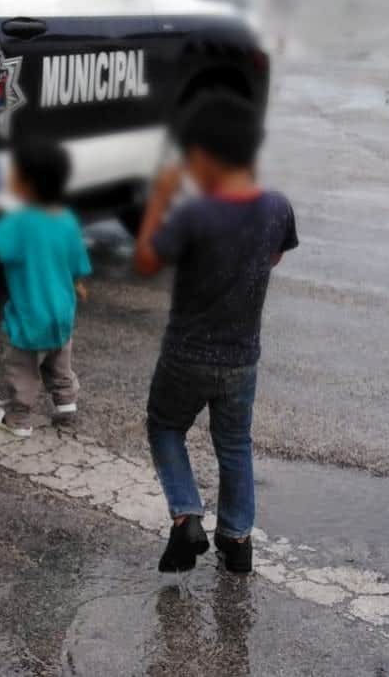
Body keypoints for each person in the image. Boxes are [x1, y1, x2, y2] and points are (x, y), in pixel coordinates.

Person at [134, 95, 298, 574]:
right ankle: (237, 538)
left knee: (165, 426)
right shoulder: (276, 207)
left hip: (185, 353)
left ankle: (187, 513)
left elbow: (147, 260)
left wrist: (160, 199)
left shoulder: (193, 214)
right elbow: (273, 258)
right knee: (234, 444)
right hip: (241, 356)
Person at [0, 138, 92, 438]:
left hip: (31, 318)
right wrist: (77, 284)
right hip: (62, 315)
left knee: (24, 370)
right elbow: (77, 265)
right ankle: (66, 402)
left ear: (27, 184)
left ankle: (18, 417)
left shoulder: (19, 223)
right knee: (58, 359)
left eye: (12, 173)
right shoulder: (67, 220)